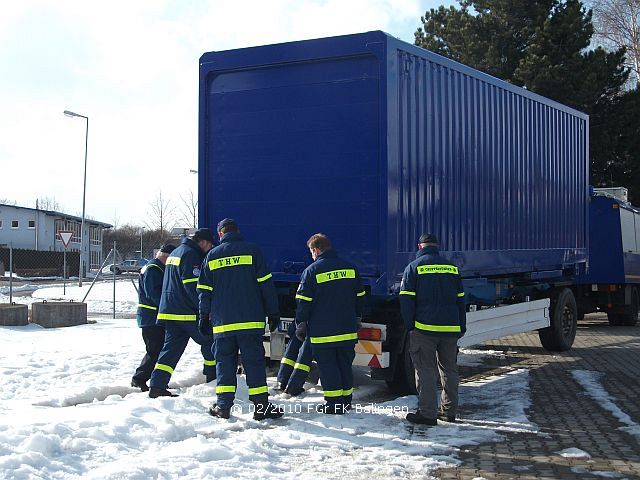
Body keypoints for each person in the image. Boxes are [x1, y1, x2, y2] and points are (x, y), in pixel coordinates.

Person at [197, 218, 283, 420]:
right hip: (250, 322)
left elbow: (204, 291)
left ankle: (223, 406)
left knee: (224, 364)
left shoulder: (212, 256)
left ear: (220, 234)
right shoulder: (252, 251)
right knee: (254, 364)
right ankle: (261, 407)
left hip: (222, 323)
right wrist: (273, 312)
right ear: (238, 231)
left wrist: (202, 315)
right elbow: (266, 285)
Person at [399, 233, 466, 425]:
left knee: (426, 370)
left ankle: (427, 413)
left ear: (419, 246)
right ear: (437, 246)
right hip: (451, 329)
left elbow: (406, 300)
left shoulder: (413, 268)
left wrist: (409, 325)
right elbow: (461, 299)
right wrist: (462, 325)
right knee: (449, 370)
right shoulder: (452, 268)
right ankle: (449, 411)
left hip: (424, 329)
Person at [294, 233, 365, 414]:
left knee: (328, 367)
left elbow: (303, 302)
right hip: (347, 329)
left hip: (323, 331)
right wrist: (357, 318)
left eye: (311, 252)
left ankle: (334, 404)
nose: (311, 255)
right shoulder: (350, 268)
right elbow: (361, 298)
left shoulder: (312, 271)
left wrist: (301, 324)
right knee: (344, 366)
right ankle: (346, 401)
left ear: (316, 250)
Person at [148, 228, 217, 398]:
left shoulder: (176, 252)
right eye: (209, 245)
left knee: (171, 349)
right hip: (186, 312)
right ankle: (213, 379)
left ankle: (157, 385)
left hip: (170, 311)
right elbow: (192, 286)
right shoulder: (191, 255)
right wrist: (204, 310)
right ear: (202, 242)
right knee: (209, 340)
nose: (209, 249)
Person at [131, 244, 176, 391]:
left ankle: (153, 379)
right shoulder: (153, 269)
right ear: (166, 257)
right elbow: (154, 293)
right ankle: (139, 379)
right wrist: (168, 306)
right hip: (151, 317)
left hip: (151, 317)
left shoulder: (154, 267)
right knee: (154, 350)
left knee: (157, 349)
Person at [276, 320, 312, 396]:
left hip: (301, 320)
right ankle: (293, 387)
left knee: (294, 345)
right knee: (306, 351)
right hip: (315, 322)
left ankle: (282, 382)